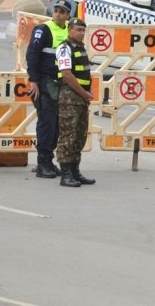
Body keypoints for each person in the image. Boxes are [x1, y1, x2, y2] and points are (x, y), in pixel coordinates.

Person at [26, 0, 70, 178]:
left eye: (62, 11)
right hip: (44, 82)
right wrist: (34, 81)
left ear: (68, 15)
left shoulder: (69, 30)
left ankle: (49, 161)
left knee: (57, 124)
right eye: (56, 10)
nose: (58, 14)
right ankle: (42, 163)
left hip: (61, 83)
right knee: (47, 123)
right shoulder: (43, 30)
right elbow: (32, 55)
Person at [55, 17, 96, 187]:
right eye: (78, 30)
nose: (81, 33)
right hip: (69, 97)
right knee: (68, 136)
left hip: (80, 98)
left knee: (79, 136)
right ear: (70, 30)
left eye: (83, 30)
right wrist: (84, 93)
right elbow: (66, 74)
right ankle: (65, 174)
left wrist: (86, 93)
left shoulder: (81, 48)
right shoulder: (64, 48)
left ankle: (74, 171)